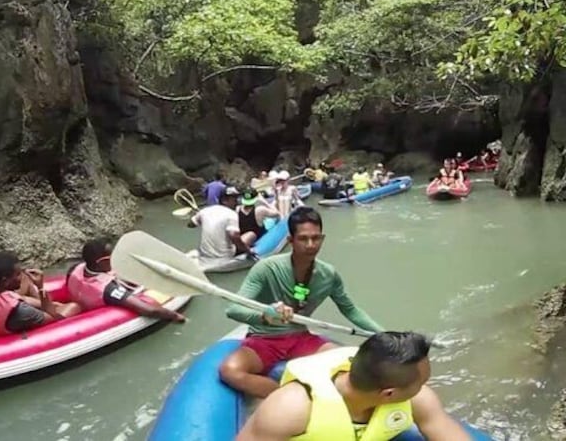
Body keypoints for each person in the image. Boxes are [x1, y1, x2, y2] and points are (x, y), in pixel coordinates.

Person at [219, 207, 384, 399]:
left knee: (353, 368)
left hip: (300, 338)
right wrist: (265, 316)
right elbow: (233, 309)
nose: (311, 244)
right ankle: (288, 398)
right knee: (230, 371)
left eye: (316, 238)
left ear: (322, 238)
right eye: (303, 239)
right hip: (264, 340)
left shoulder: (328, 274)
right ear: (291, 240)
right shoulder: (266, 268)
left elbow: (351, 310)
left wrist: (382, 334)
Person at [237, 331, 472, 441]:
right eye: (421, 383)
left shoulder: (417, 399)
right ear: (388, 394)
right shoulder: (290, 407)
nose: (425, 388)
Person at [0, 252, 82, 338]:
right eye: (18, 274)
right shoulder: (20, 312)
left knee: (33, 289)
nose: (21, 276)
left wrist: (51, 303)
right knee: (74, 307)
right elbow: (54, 317)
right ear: (5, 280)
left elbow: (11, 299)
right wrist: (40, 287)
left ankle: (51, 303)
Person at [66, 239, 185, 322]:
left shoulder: (74, 269)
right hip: (100, 305)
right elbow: (149, 310)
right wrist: (175, 316)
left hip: (85, 300)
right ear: (101, 262)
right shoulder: (108, 289)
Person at [188, 186, 257, 265]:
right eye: (234, 199)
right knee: (251, 234)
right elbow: (234, 236)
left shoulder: (205, 211)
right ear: (224, 201)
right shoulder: (232, 214)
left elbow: (190, 224)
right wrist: (248, 251)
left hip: (206, 254)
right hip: (224, 256)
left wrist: (199, 216)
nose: (237, 202)